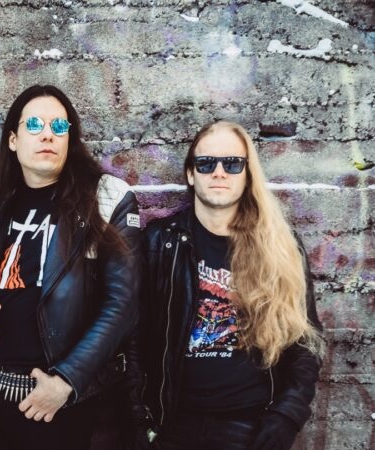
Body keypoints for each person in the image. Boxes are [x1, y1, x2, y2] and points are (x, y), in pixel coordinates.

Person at [0, 85, 141, 449]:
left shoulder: (106, 198)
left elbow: (123, 304)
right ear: (13, 140)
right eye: (35, 125)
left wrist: (67, 381)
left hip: (59, 403)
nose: (48, 134)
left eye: (59, 126)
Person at [132, 120, 324, 450]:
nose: (219, 173)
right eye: (206, 163)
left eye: (232, 164)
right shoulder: (159, 243)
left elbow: (304, 340)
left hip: (250, 425)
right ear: (190, 174)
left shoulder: (281, 246)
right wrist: (138, 416)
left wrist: (287, 416)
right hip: (171, 423)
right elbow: (132, 336)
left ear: (247, 174)